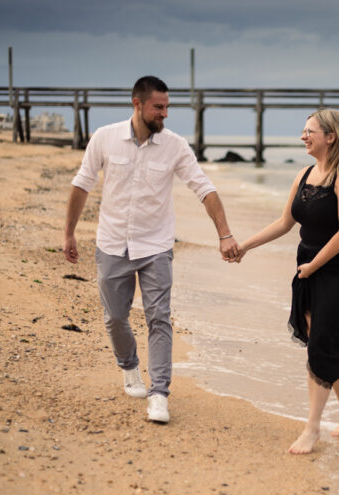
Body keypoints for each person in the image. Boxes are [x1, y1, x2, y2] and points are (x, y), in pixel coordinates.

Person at [63, 76, 240, 424]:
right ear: (137, 104)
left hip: (157, 245)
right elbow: (82, 184)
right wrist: (68, 233)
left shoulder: (175, 146)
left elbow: (204, 188)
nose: (165, 114)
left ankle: (160, 393)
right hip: (112, 243)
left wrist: (225, 234)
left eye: (167, 107)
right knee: (115, 317)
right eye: (158, 107)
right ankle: (129, 367)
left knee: (159, 317)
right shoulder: (104, 138)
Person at [234, 109, 339, 454]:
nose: (303, 137)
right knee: (318, 336)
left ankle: (312, 428)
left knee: (323, 336)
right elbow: (284, 223)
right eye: (303, 131)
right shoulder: (305, 174)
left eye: (310, 131)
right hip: (309, 262)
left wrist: (313, 266)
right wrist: (245, 246)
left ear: (331, 137)